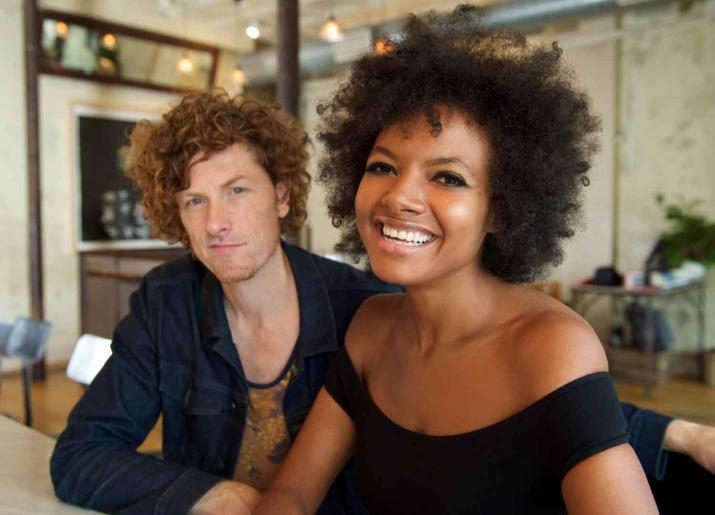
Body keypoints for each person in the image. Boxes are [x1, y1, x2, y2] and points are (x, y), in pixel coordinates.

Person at [50, 90, 712, 514]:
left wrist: (674, 432)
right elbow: (82, 455)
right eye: (194, 199)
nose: (216, 220)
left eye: (237, 191)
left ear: (283, 196)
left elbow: (529, 396)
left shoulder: (356, 303)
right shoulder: (178, 305)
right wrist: (207, 495)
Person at [253, 6, 703, 514]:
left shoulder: (551, 345)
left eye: (448, 177)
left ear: (501, 211)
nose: (400, 197)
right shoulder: (370, 331)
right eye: (382, 166)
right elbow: (291, 494)